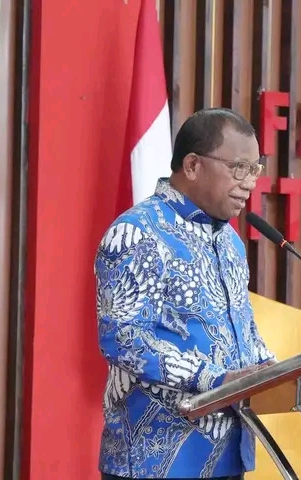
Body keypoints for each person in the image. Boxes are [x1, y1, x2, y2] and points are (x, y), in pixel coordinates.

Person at [94, 108, 276, 480]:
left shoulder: (229, 243)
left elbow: (243, 333)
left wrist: (279, 371)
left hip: (229, 455)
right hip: (154, 462)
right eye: (239, 168)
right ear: (192, 165)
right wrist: (215, 380)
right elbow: (123, 338)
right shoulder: (138, 232)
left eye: (255, 170)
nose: (249, 183)